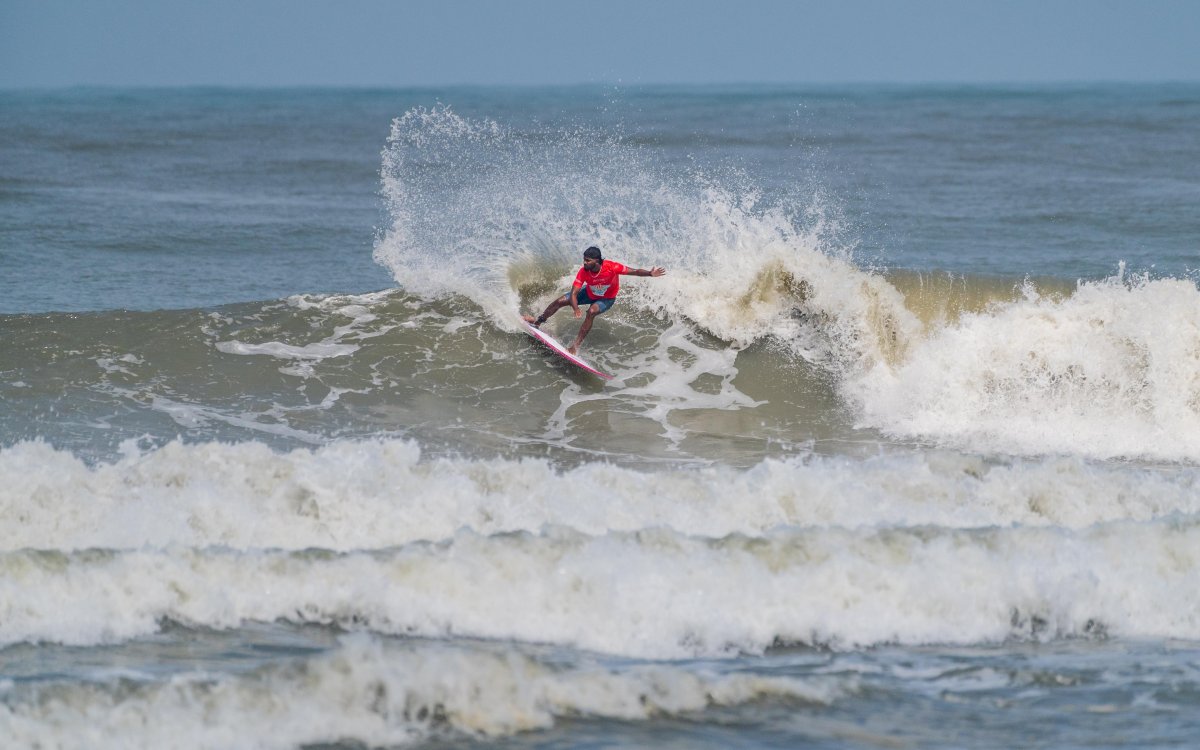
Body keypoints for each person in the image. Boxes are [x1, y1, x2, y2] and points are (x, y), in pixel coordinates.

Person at [523, 246, 666, 354]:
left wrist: (650, 274)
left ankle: (575, 346)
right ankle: (537, 322)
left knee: (591, 311)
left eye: (588, 260)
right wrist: (576, 308)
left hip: (606, 299)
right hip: (589, 294)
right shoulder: (583, 271)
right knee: (560, 301)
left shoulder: (611, 267)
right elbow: (574, 293)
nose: (584, 263)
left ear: (596, 261)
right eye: (584, 259)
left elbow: (634, 271)